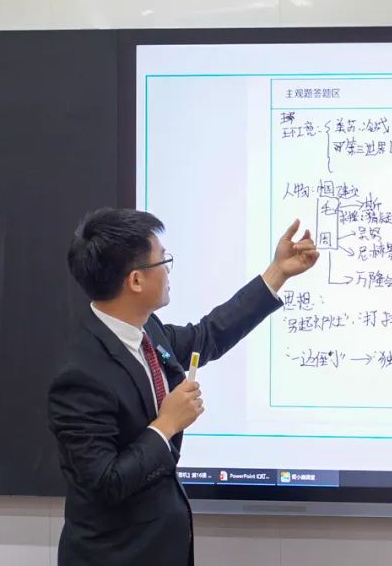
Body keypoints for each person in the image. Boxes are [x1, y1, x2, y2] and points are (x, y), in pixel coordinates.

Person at [47, 207, 318, 565]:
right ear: (136, 281)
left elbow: (207, 336)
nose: (169, 270)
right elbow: (106, 482)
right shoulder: (80, 375)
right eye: (163, 260)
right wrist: (166, 424)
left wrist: (277, 272)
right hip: (117, 556)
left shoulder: (146, 329)